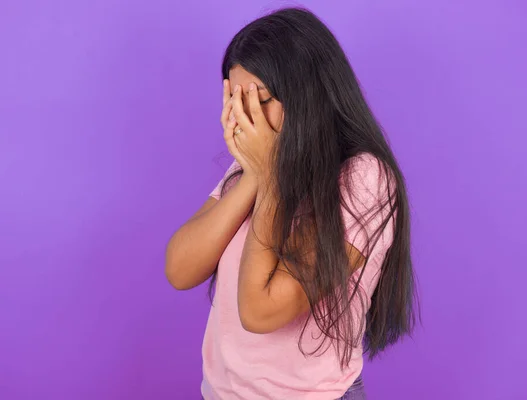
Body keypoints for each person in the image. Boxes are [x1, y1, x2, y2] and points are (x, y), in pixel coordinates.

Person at [165, 7, 418, 400]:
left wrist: (268, 178)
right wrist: (255, 174)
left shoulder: (363, 179)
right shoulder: (253, 164)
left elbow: (260, 310)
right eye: (233, 99)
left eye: (258, 101)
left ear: (306, 95)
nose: (240, 118)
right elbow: (180, 269)